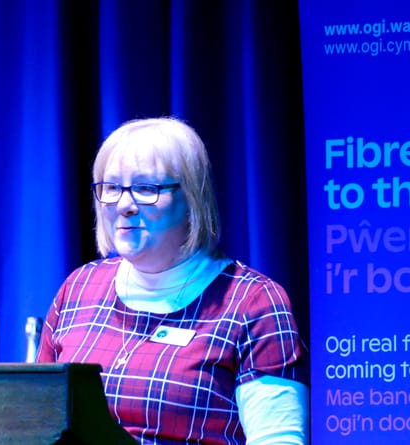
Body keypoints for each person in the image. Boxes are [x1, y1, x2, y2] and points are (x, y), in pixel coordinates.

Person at [36, 117, 309, 444]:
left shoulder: (253, 302)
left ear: (192, 199)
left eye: (146, 189)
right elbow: (37, 422)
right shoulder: (79, 288)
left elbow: (277, 440)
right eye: (111, 188)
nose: (124, 205)